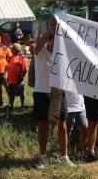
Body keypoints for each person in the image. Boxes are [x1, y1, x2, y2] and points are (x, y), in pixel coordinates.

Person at [33, 19, 75, 168]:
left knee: (62, 126)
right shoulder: (40, 52)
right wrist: (50, 30)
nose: (54, 45)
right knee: (42, 126)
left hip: (58, 93)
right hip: (41, 93)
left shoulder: (62, 55)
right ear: (48, 42)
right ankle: (42, 157)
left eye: (57, 43)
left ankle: (65, 157)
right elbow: (37, 47)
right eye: (52, 42)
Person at [7, 43, 28, 111]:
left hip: (18, 80)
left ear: (16, 49)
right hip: (11, 79)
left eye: (12, 48)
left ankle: (22, 106)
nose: (11, 49)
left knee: (20, 93)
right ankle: (11, 106)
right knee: (11, 94)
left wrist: (21, 77)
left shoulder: (22, 57)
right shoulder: (12, 56)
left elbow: (25, 69)